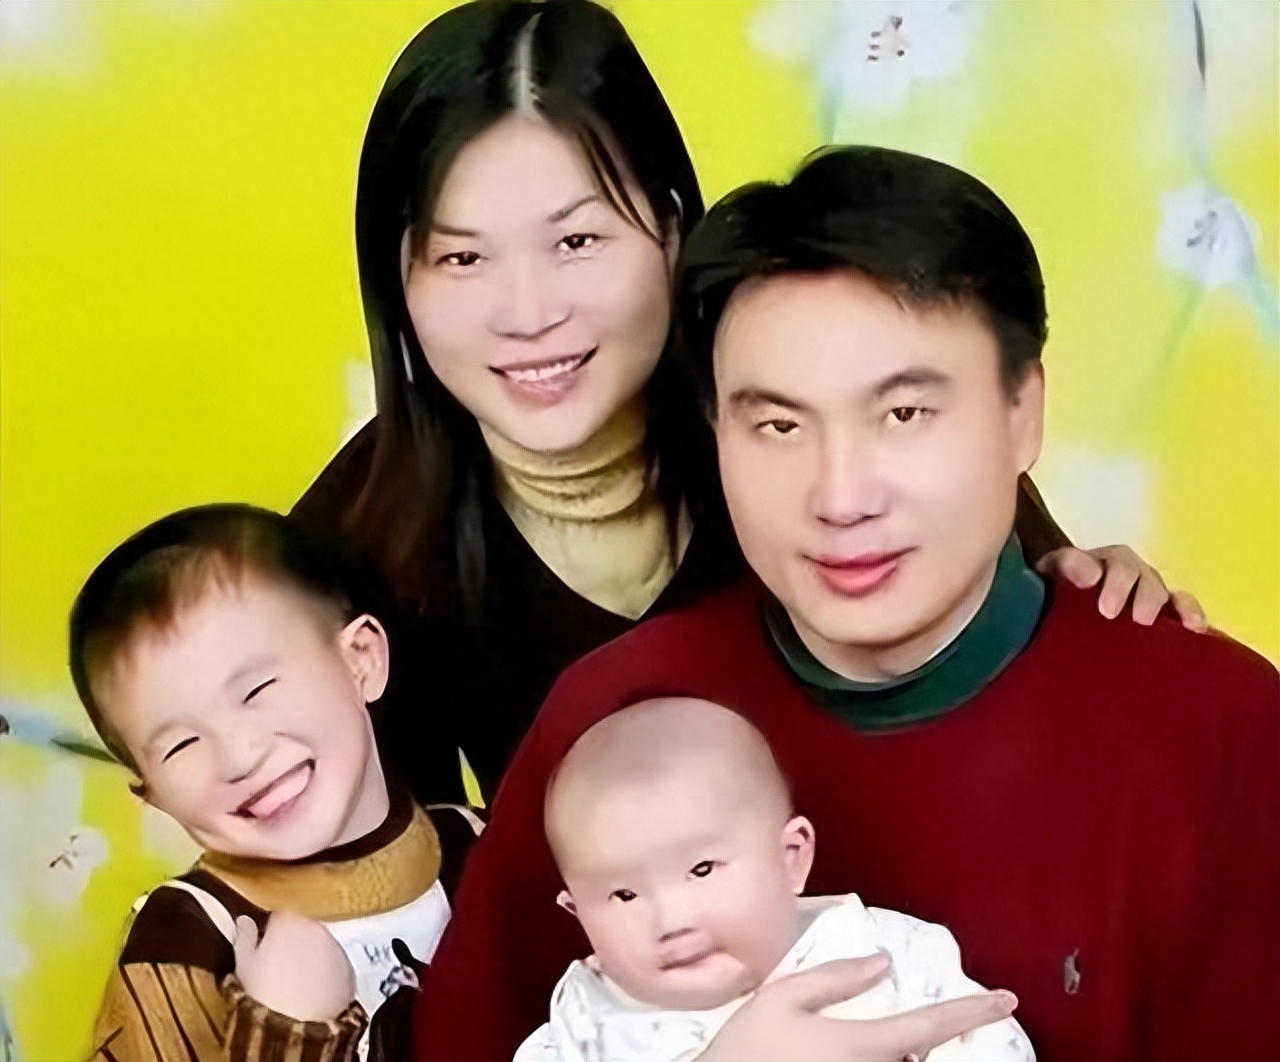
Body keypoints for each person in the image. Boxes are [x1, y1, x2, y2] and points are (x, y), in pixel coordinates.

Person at [417, 146, 1280, 1061]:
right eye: (778, 425)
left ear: (1022, 411)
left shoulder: (1215, 726)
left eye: (903, 415)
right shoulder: (613, 726)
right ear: (716, 429)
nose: (840, 497)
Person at [291, 0, 1197, 808]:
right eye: (462, 258)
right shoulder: (354, 545)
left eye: (576, 241)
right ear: (396, 280)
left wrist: (1091, 606)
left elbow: (1049, 673)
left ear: (671, 226)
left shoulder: (815, 418)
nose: (528, 315)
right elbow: (383, 881)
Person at [69, 505, 467, 1062]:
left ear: (361, 660)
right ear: (153, 796)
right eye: (181, 745)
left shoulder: (486, 843)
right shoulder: (182, 943)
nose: (239, 756)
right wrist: (285, 1035)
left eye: (256, 691)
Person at [515, 697, 1035, 1062]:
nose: (671, 921)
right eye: (624, 895)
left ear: (792, 857)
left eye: (702, 870)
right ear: (576, 913)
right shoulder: (579, 1028)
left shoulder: (883, 955)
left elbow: (985, 1041)